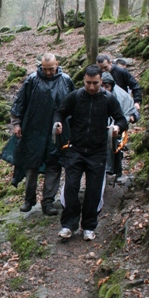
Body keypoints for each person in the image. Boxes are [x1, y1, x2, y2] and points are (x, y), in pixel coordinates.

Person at [54, 65, 128, 241]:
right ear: (84, 80)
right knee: (71, 187)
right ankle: (68, 225)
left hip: (98, 151)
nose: (92, 87)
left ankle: (88, 226)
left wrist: (117, 127)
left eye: (95, 83)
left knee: (94, 190)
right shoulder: (76, 96)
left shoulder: (108, 99)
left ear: (101, 81)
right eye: (88, 83)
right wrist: (58, 124)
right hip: (76, 149)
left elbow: (122, 119)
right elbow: (60, 112)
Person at [10, 53, 75, 215]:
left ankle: (48, 202)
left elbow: (73, 106)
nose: (47, 72)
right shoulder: (32, 80)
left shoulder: (66, 81)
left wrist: (71, 128)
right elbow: (20, 102)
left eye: (51, 69)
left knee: (53, 165)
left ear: (57, 64)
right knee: (31, 165)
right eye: (45, 69)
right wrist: (16, 123)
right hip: (33, 130)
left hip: (56, 131)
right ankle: (29, 199)